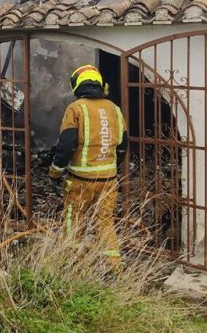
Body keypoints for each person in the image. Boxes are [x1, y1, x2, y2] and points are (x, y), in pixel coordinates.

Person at [49, 64, 127, 268]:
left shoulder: (76, 109)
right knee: (105, 221)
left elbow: (66, 145)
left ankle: (72, 264)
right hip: (108, 179)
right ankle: (113, 267)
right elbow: (123, 144)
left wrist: (55, 171)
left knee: (74, 220)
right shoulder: (114, 109)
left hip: (80, 180)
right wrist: (113, 166)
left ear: (77, 86)